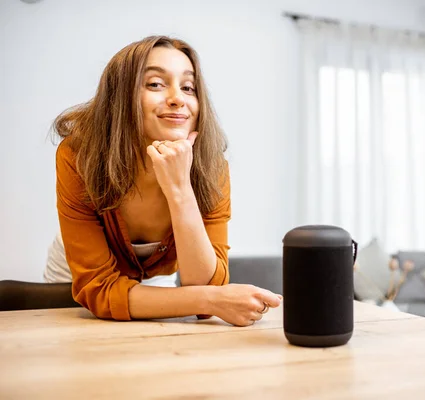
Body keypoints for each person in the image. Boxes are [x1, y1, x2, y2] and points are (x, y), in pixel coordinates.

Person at [44, 35, 281, 325]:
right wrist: (207, 299)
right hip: (77, 275)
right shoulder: (80, 156)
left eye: (188, 87)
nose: (177, 98)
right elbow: (99, 289)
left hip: (158, 281)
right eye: (155, 84)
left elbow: (206, 286)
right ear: (121, 96)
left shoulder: (213, 168)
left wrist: (180, 189)